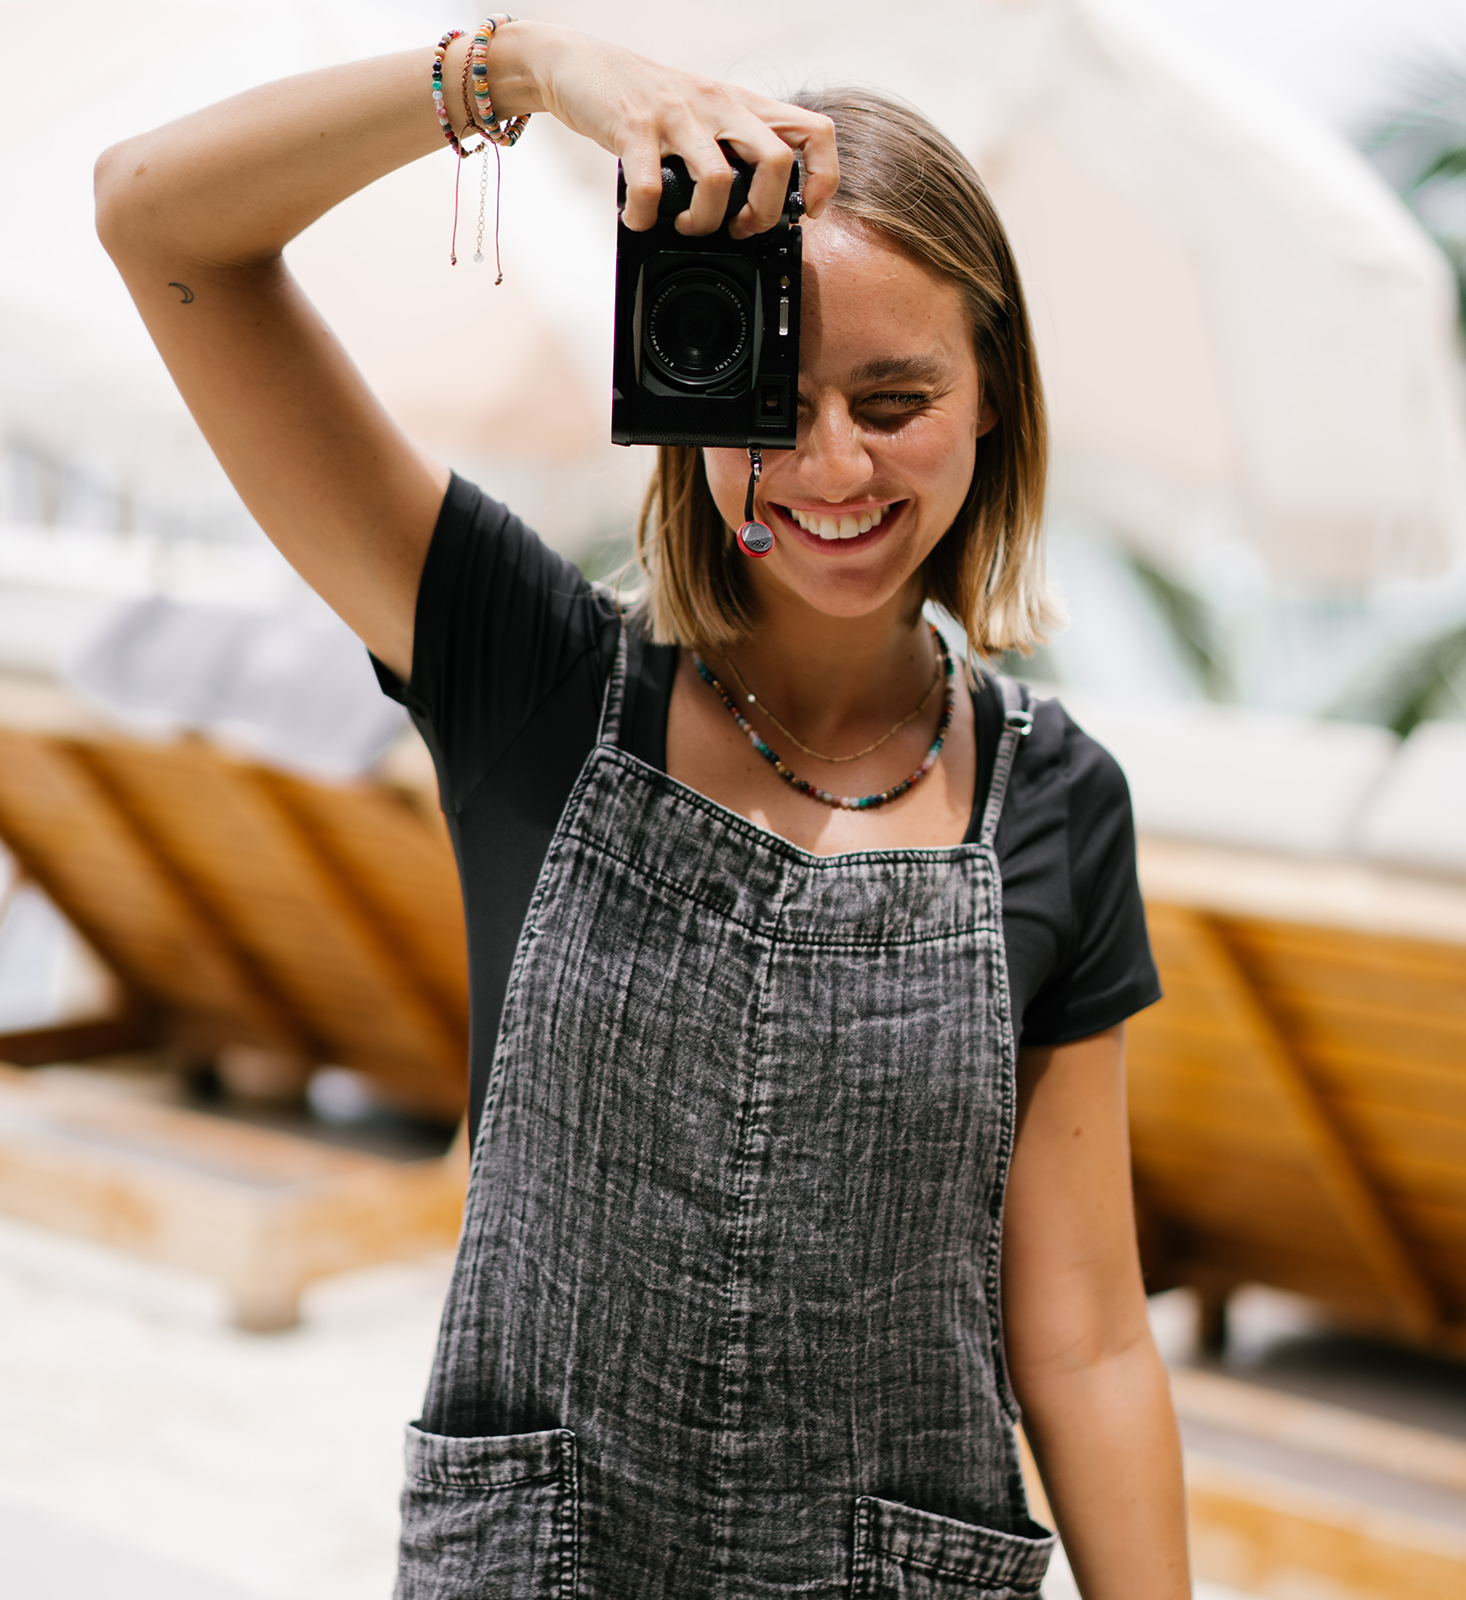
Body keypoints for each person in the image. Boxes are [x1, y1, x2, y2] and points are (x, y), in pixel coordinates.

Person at [95, 18, 1190, 1598]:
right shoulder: (524, 673)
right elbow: (156, 218)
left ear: (994, 398)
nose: (832, 465)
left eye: (896, 398)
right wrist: (526, 71)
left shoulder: (1059, 800)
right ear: (682, 376)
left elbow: (1083, 1336)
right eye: (776, 390)